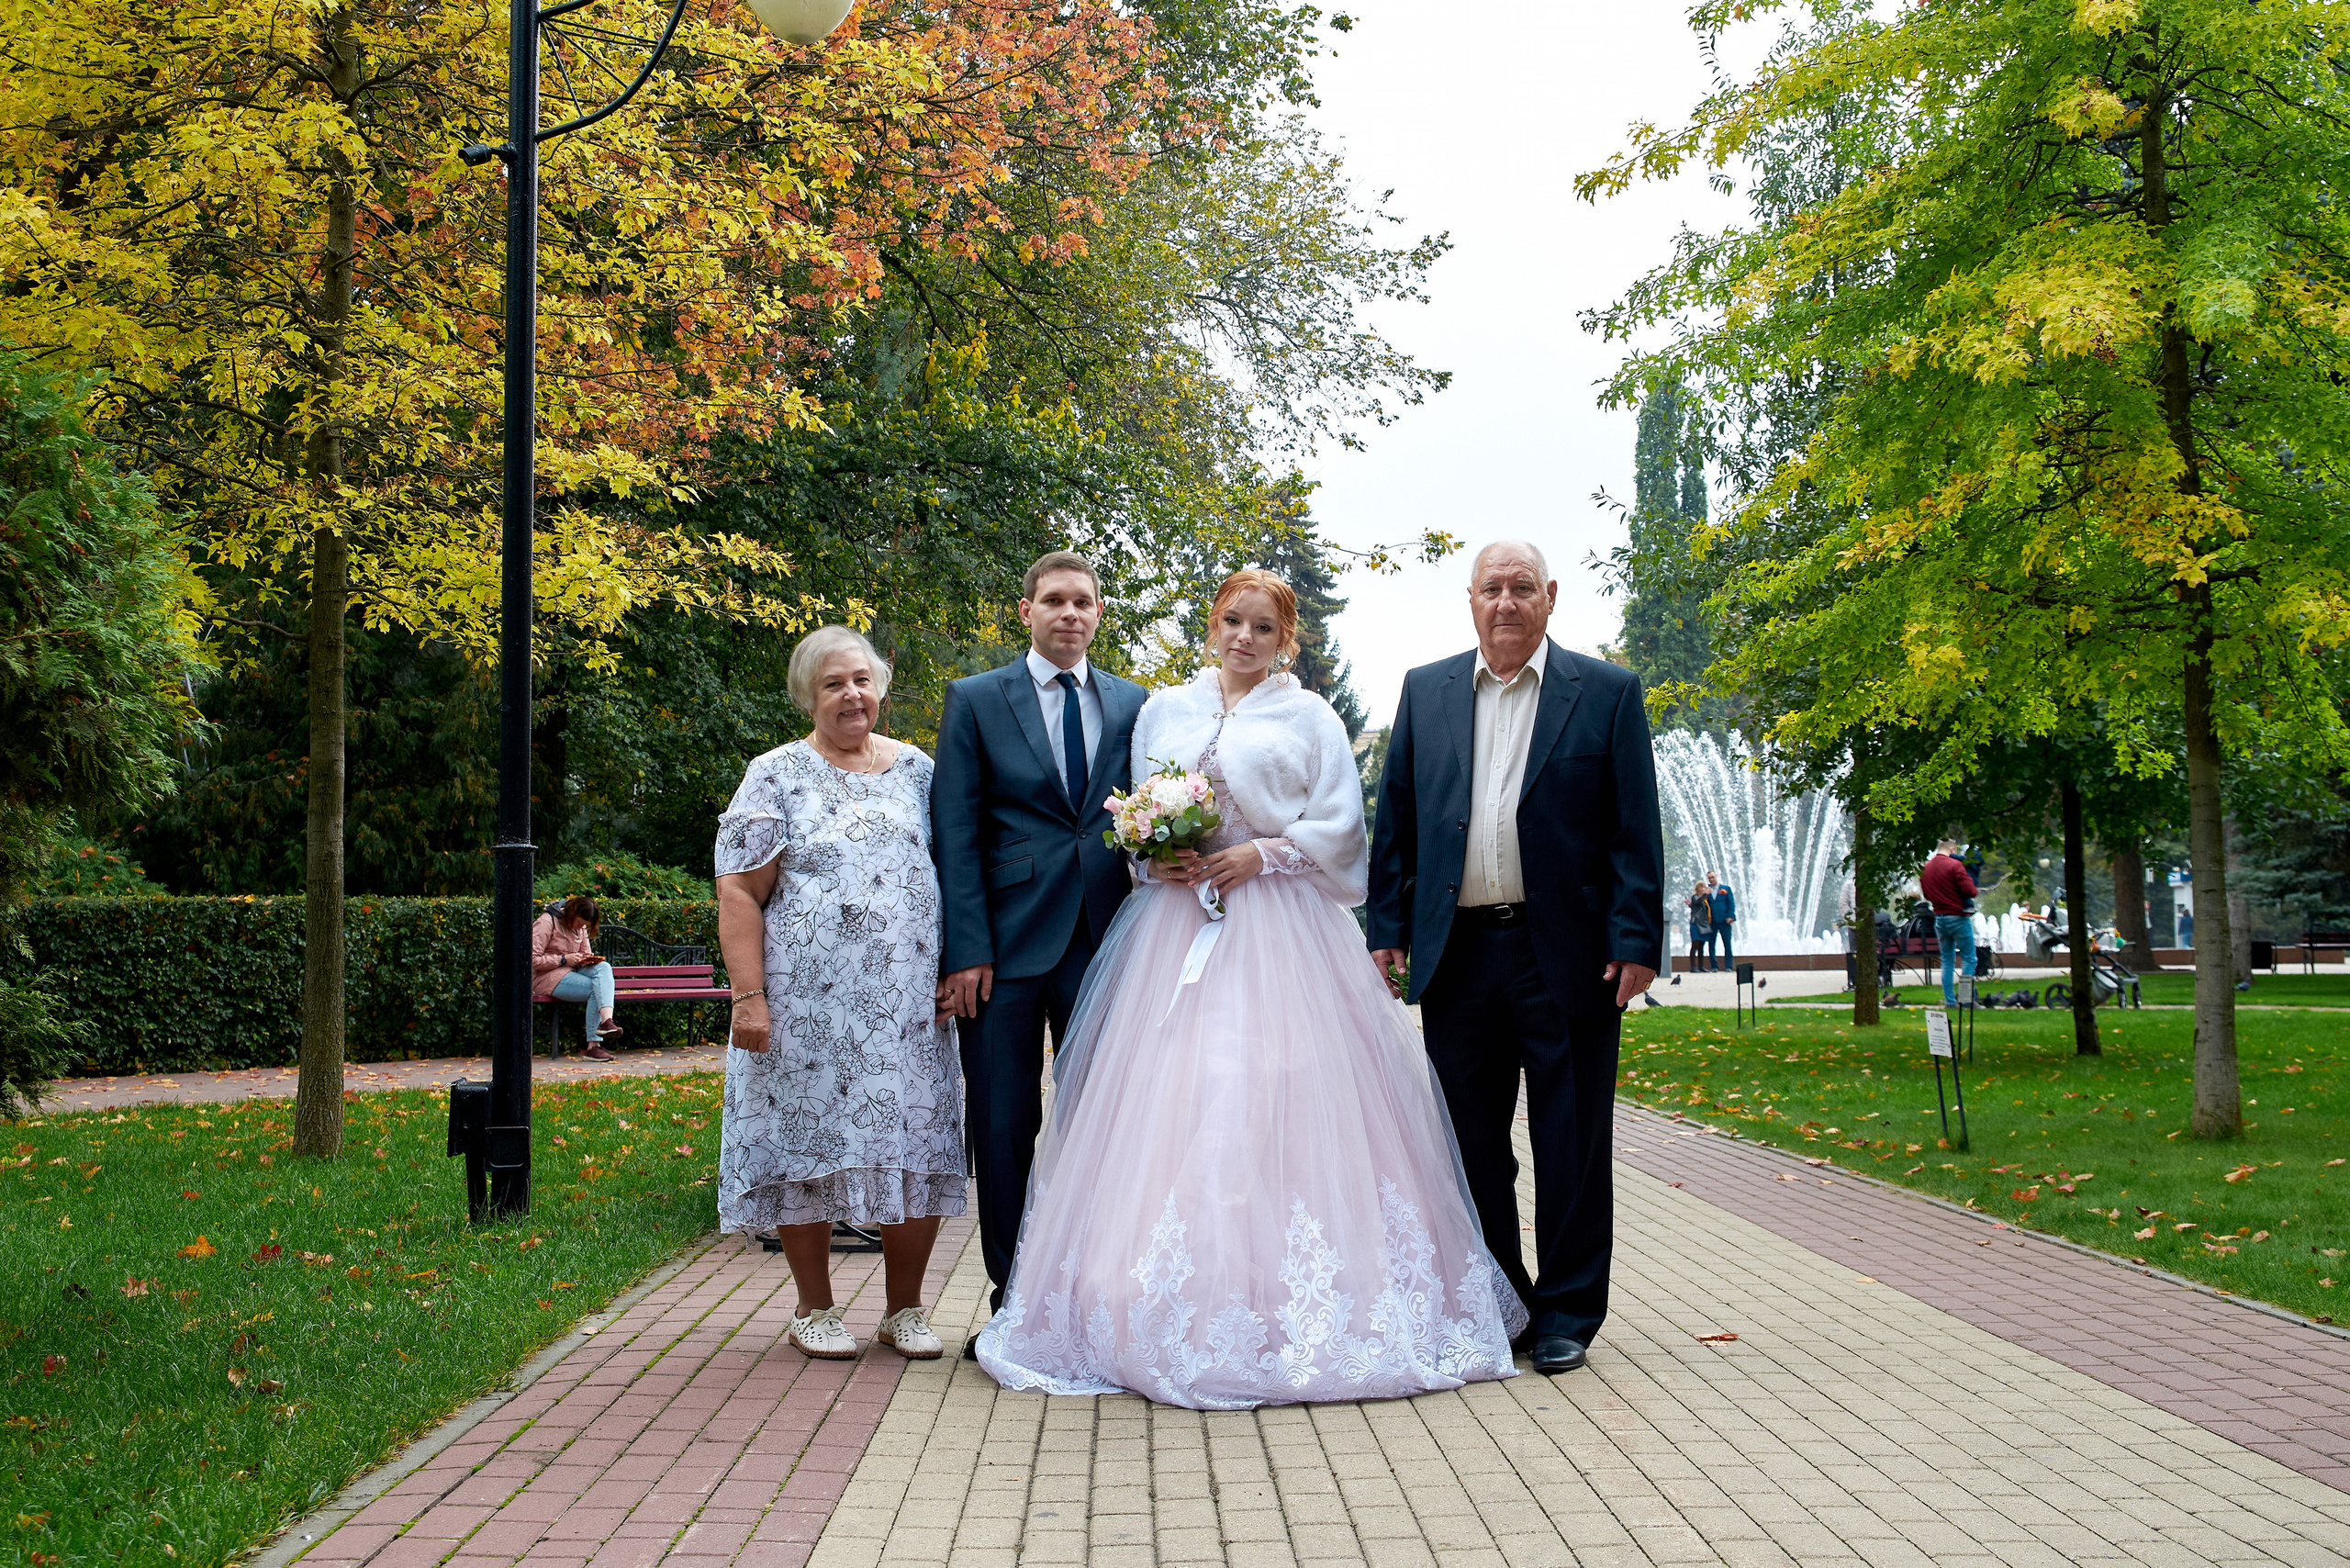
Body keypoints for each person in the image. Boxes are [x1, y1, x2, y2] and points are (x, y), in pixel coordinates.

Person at [975, 569, 1524, 1408]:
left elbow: (1343, 826)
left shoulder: (1309, 716)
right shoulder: (1165, 709)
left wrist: (1261, 854)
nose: (1244, 638)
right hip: (1173, 929)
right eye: (1233, 621)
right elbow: (1129, 819)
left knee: (1274, 1094)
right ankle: (1158, 1298)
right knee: (1173, 1102)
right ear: (1212, 623)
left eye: (1263, 627)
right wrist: (1150, 855)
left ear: (1284, 639)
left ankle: (1287, 1301)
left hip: (1281, 934)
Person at [1368, 540, 1664, 1378]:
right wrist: (1387, 924)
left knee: (1572, 1138)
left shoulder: (1604, 694)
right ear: (1470, 601)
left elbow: (1633, 832)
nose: (1506, 602)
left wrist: (1636, 940)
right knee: (1469, 1143)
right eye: (1492, 588)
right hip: (1458, 953)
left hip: (1568, 955)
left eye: (1522, 588)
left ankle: (1570, 1311)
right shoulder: (1426, 692)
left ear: (1551, 597)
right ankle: (1501, 1301)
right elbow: (1398, 819)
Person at [714, 626, 962, 1362]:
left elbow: (957, 876)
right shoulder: (775, 774)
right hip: (806, 1011)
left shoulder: (920, 771)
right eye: (833, 684)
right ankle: (814, 1308)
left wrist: (958, 963)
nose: (851, 694)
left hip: (909, 1011)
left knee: (915, 1146)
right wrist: (748, 998)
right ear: (807, 697)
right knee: (807, 1150)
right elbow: (738, 890)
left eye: (861, 680)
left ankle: (904, 1311)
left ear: (881, 688)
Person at [931, 552, 1147, 1358]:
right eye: (1053, 600)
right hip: (1004, 951)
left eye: (1082, 602)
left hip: (1106, 941)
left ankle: (1089, 1296)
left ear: (1099, 614)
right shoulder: (977, 701)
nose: (1069, 613)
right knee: (1003, 1121)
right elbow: (953, 832)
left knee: (1103, 1126)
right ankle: (1012, 1298)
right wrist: (965, 950)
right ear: (1024, 611)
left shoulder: (1134, 704)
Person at [532, 894, 620, 1061]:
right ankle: (594, 1047)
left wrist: (587, 959)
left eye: (584, 926)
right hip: (546, 978)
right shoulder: (546, 922)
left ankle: (607, 1021)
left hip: (572, 970)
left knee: (604, 967)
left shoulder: (580, 928)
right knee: (596, 989)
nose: (581, 927)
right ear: (571, 913)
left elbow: (585, 953)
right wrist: (563, 959)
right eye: (580, 923)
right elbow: (532, 959)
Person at [1921, 836, 1980, 1007]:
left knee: (1947, 960)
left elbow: (1927, 895)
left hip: (1939, 919)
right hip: (1958, 917)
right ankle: (1965, 999)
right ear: (1953, 849)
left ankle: (1949, 1000)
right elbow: (1971, 891)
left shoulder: (1926, 868)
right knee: (1969, 959)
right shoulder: (1955, 865)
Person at [1707, 871, 1737, 973]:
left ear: (1717, 877)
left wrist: (1731, 916)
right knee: (1711, 944)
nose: (1711, 879)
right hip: (1712, 921)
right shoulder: (1707, 890)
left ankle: (1728, 966)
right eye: (1709, 878)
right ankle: (1714, 966)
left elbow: (1731, 903)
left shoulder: (1726, 889)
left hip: (1725, 920)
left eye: (1712, 877)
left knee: (1727, 944)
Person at [1684, 881, 1715, 975]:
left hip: (1704, 924)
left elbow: (1697, 906)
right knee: (1695, 945)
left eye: (1704, 887)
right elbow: (1697, 901)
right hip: (1696, 924)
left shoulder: (1705, 899)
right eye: (1701, 887)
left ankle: (1701, 966)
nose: (1703, 889)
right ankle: (1693, 967)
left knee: (1702, 946)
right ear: (1697, 889)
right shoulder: (1695, 897)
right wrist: (1706, 894)